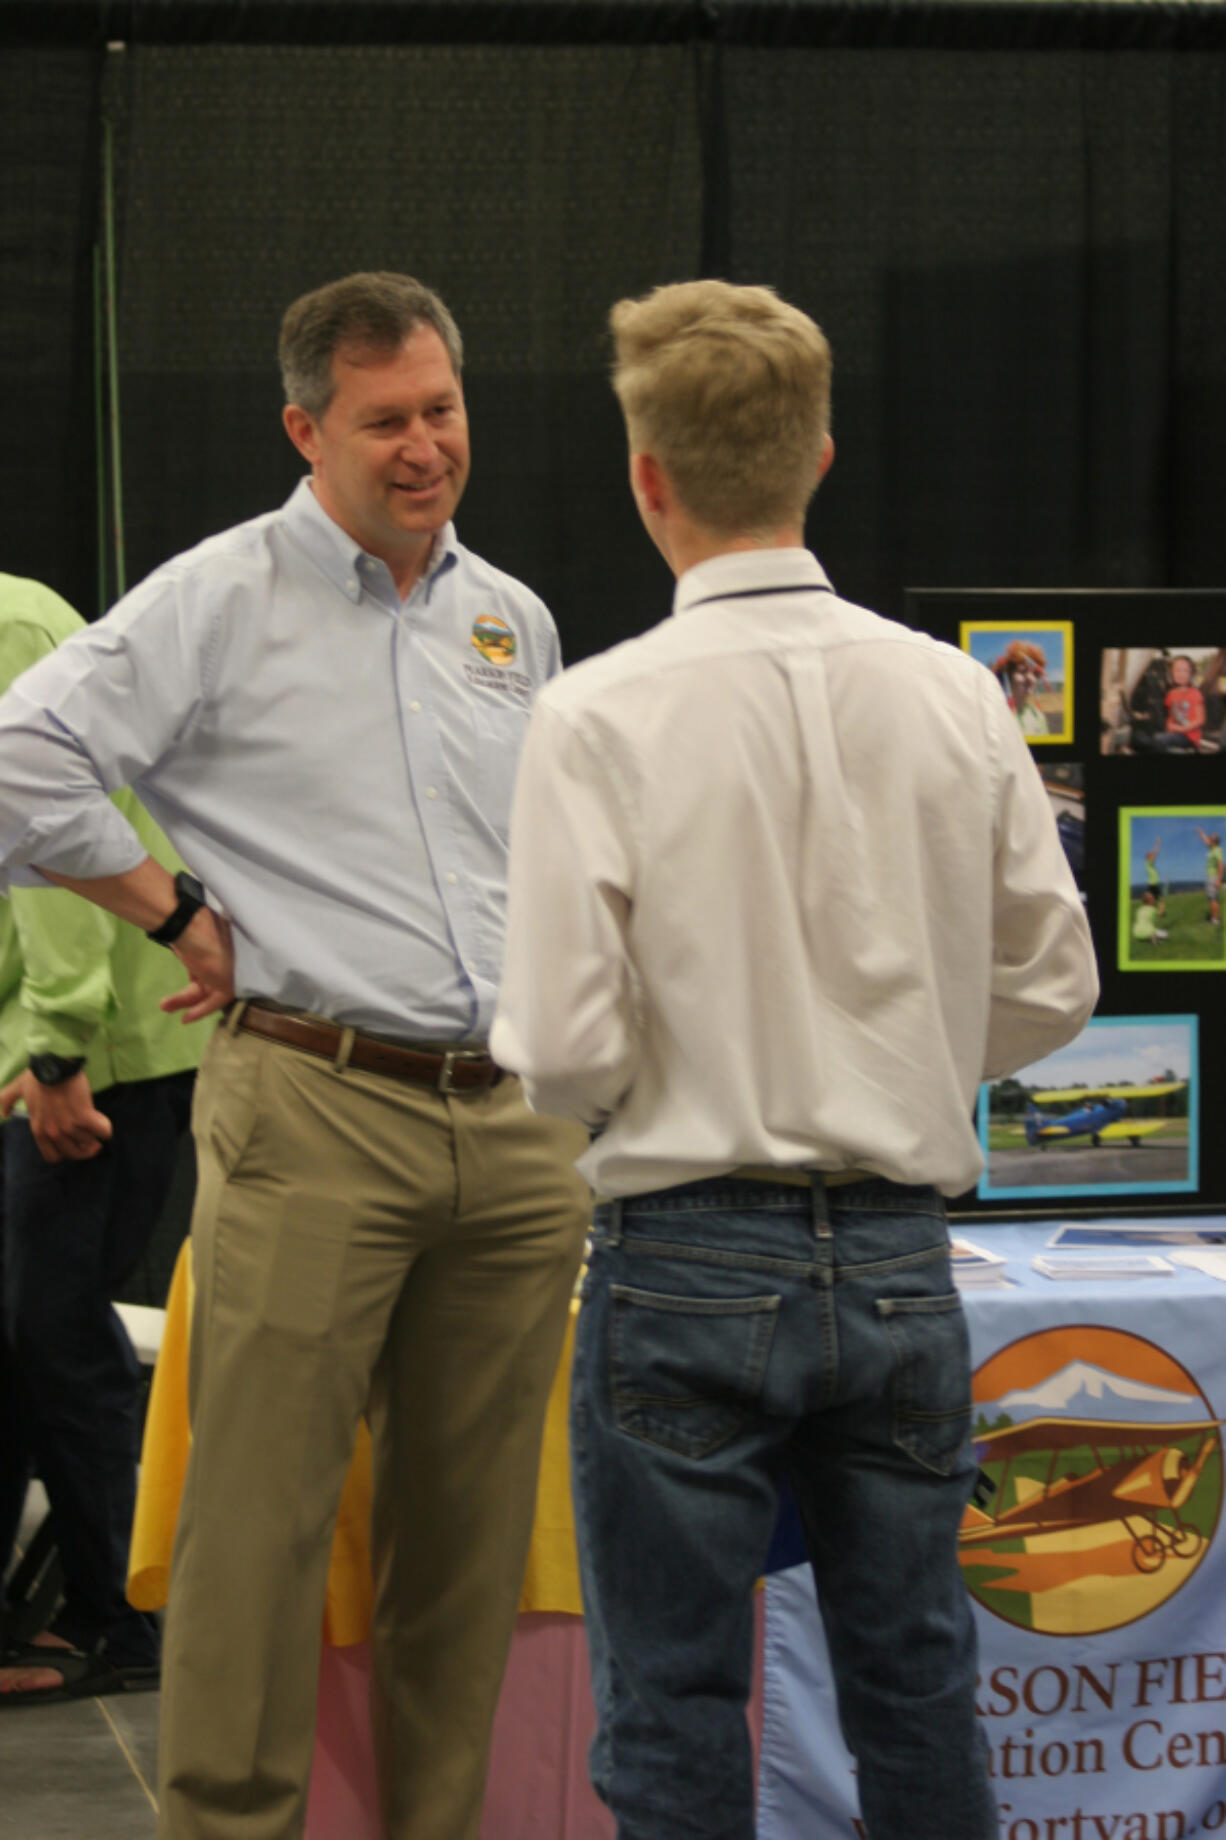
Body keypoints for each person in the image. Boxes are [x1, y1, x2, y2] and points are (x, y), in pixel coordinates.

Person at [491, 279, 1099, 1840]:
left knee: (674, 1700)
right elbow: (1054, 982)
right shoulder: (956, 693)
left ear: (645, 477)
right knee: (915, 1685)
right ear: (821, 453)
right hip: (899, 1259)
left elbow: (557, 1050)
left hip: (682, 1250)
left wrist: (684, 1069)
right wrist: (895, 1053)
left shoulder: (593, 714)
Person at [0, 274, 589, 1839]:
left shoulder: (508, 615)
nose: (422, 448)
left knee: (466, 1542)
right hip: (314, 1106)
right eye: (384, 420)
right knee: (257, 1527)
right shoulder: (223, 595)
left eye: (442, 409)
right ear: (304, 429)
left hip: (510, 1127)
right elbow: (18, 757)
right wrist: (161, 903)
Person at [0, 573, 205, 1705]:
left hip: (98, 1055)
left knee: (54, 1327)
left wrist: (58, 1052)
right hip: (38, 1045)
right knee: (26, 1327)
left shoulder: (11, 622)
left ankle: (122, 1619)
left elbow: (47, 840)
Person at [990, 638, 1049, 736]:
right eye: (1022, 671)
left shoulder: (1038, 716)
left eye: (1035, 674)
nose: (1031, 678)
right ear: (1007, 675)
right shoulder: (994, 715)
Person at [1164, 654, 1206, 749]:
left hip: (1190, 737)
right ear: (1171, 673)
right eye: (1177, 670)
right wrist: (1169, 725)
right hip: (1175, 734)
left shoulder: (1195, 694)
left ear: (1191, 674)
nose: (1181, 674)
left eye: (1185, 671)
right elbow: (1171, 716)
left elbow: (1200, 720)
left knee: (1160, 740)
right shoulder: (1171, 694)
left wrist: (1182, 729)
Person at [1197, 828, 1223, 927]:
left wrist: (1219, 880)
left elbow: (1221, 865)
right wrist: (1201, 833)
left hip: (1213, 877)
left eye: (1211, 838)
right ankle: (1214, 918)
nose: (1209, 839)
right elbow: (1206, 841)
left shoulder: (1217, 850)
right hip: (1211, 877)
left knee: (1213, 899)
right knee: (1212, 899)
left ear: (1215, 841)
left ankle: (1215, 920)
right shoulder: (1212, 848)